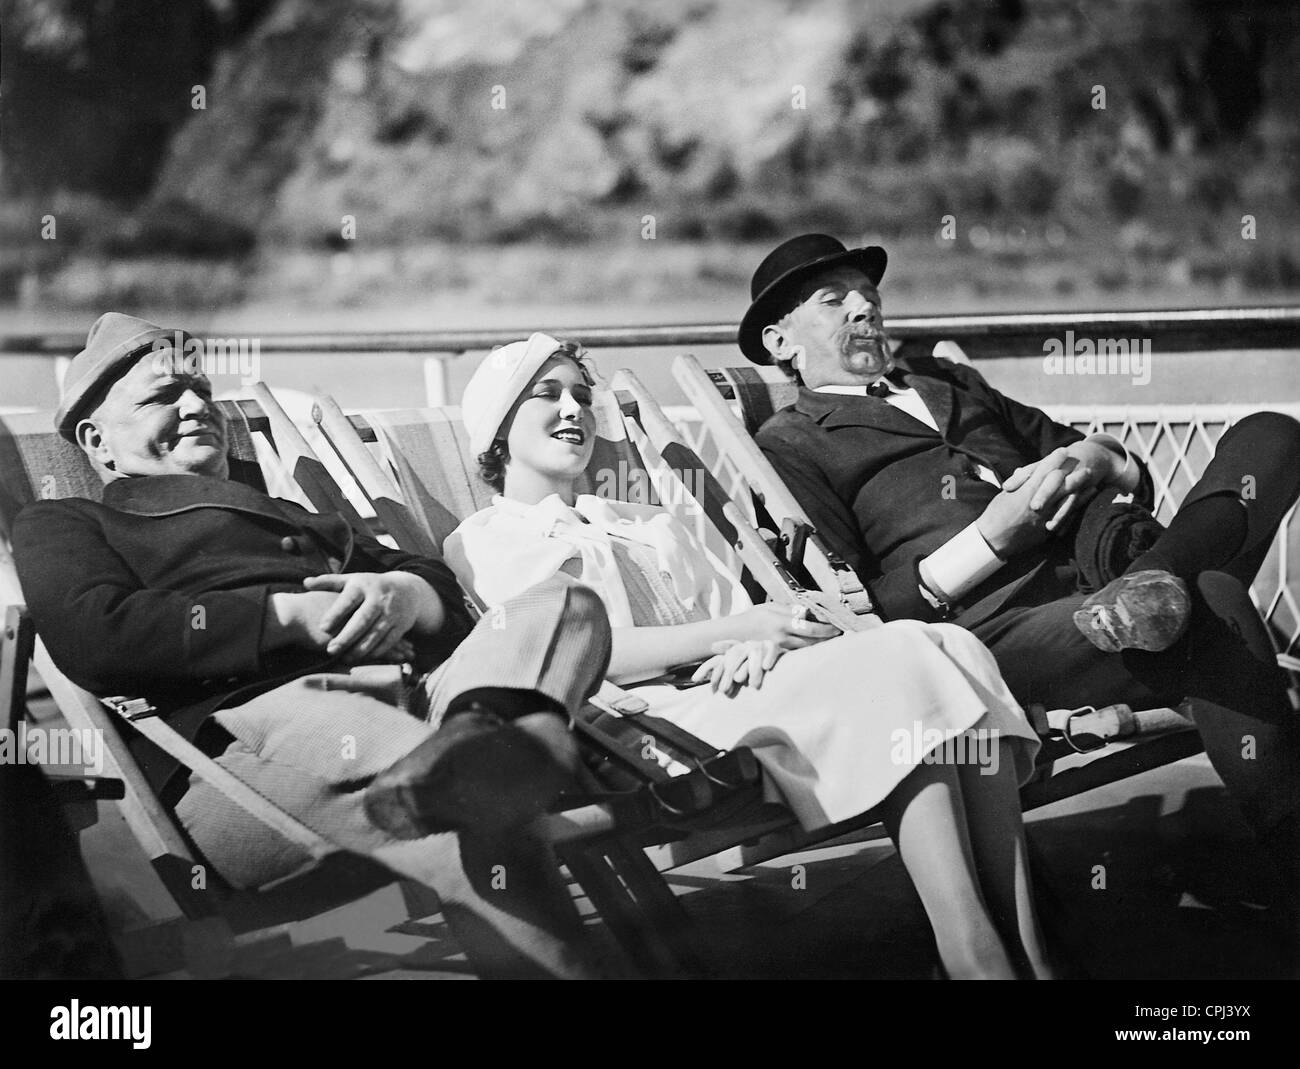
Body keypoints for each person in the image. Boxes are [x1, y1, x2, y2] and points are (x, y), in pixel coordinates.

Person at [11, 312, 614, 979]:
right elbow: (94, 633)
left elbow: (434, 580)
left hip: (417, 700)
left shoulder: (298, 516)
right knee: (474, 818)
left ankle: (476, 739)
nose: (196, 407)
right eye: (162, 396)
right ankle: (473, 769)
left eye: (202, 391)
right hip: (248, 741)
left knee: (567, 604)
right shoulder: (72, 520)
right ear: (97, 441)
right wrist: (289, 616)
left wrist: (405, 597)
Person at [445, 332, 1055, 980]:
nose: (573, 409)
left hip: (736, 683)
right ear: (497, 430)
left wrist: (754, 641)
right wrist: (732, 632)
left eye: (582, 395)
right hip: (649, 723)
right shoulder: (487, 540)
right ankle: (974, 953)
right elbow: (569, 651)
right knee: (898, 658)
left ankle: (1029, 949)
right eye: (548, 395)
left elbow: (731, 609)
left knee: (948, 641)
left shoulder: (636, 516)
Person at [742, 233, 1300, 890]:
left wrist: (1097, 458)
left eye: (868, 295)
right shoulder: (792, 443)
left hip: (1116, 556)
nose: (863, 308)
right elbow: (847, 613)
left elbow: (1110, 464)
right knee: (1212, 599)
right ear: (781, 342)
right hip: (1000, 633)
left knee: (1274, 435)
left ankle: (1157, 577)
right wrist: (990, 540)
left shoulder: (948, 381)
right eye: (835, 302)